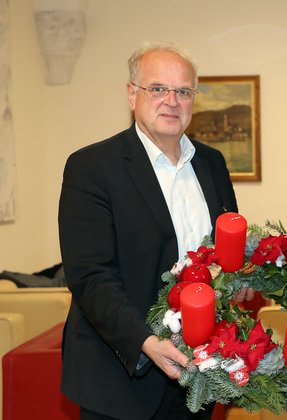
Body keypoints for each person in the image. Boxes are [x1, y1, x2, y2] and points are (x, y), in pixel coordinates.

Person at [59, 42, 251, 419]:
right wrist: (145, 342)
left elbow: (225, 253)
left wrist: (240, 279)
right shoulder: (92, 167)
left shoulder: (212, 163)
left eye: (183, 91)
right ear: (133, 95)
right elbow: (91, 277)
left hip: (198, 376)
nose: (172, 101)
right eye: (158, 88)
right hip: (120, 376)